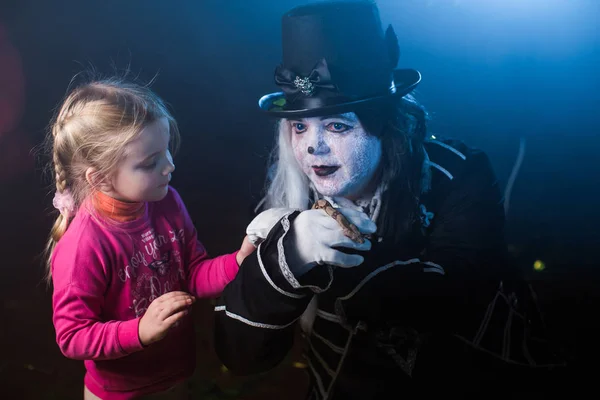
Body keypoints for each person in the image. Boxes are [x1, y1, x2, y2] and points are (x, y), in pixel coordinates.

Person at [214, 1, 564, 399]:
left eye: (337, 125)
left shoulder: (459, 177)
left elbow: (456, 304)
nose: (313, 146)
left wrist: (331, 256)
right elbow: (241, 355)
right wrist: (284, 259)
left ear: (385, 125)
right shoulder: (281, 197)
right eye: (299, 126)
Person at [44, 76, 254, 399]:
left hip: (175, 377)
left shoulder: (167, 202)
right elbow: (72, 337)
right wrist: (139, 331)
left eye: (166, 150)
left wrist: (238, 263)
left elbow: (193, 273)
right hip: (119, 393)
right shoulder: (83, 245)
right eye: (150, 162)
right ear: (100, 178)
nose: (169, 166)